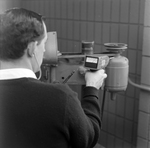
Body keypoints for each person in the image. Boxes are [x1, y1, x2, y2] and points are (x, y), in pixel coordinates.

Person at [0, 8, 107, 148]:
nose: (44, 50)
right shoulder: (60, 97)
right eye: (44, 43)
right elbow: (88, 137)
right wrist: (92, 88)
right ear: (32, 48)